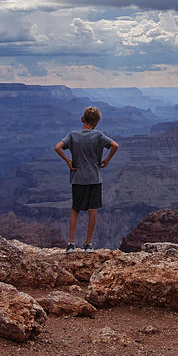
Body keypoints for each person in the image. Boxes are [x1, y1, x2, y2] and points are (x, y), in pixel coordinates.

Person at [54, 106, 119, 253]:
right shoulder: (99, 136)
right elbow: (115, 145)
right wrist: (107, 160)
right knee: (92, 210)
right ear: (96, 123)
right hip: (94, 178)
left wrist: (68, 162)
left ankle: (71, 244)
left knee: (75, 209)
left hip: (78, 178)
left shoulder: (72, 135)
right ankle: (88, 244)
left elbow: (57, 147)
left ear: (82, 119)